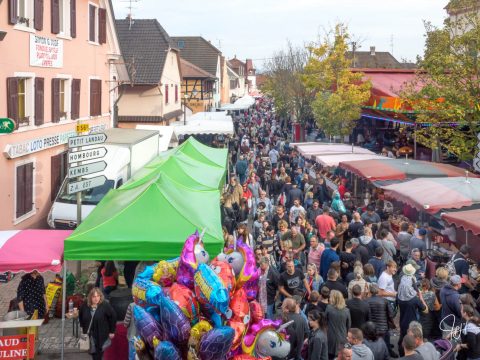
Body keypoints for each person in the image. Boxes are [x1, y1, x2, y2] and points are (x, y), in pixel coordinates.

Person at [397, 264, 427, 356]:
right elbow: (425, 309)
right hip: (413, 325)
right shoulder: (414, 299)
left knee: (402, 341)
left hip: (402, 322)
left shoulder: (399, 296)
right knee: (412, 345)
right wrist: (421, 297)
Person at [79, 288, 116, 360]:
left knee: (98, 352)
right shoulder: (85, 305)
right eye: (94, 297)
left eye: (98, 296)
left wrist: (112, 331)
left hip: (101, 333)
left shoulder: (105, 305)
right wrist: (82, 327)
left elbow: (113, 316)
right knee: (94, 352)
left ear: (100, 296)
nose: (96, 299)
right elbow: (80, 315)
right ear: (90, 297)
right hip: (90, 334)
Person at [366, 284, 395, 358]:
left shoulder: (366, 301)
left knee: (372, 346)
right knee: (386, 345)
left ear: (370, 291)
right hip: (383, 328)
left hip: (372, 328)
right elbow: (391, 314)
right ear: (378, 291)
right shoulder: (384, 300)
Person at [326, 290, 351, 360]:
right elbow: (348, 325)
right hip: (342, 337)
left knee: (330, 356)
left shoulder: (329, 308)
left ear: (333, 298)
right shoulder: (346, 310)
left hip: (330, 336)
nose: (329, 298)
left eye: (330, 297)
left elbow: (325, 321)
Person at [439, 274, 462, 339]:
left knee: (446, 340)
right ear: (458, 284)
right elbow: (460, 312)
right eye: (461, 283)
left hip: (445, 318)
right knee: (453, 343)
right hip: (453, 324)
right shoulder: (455, 297)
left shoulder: (442, 289)